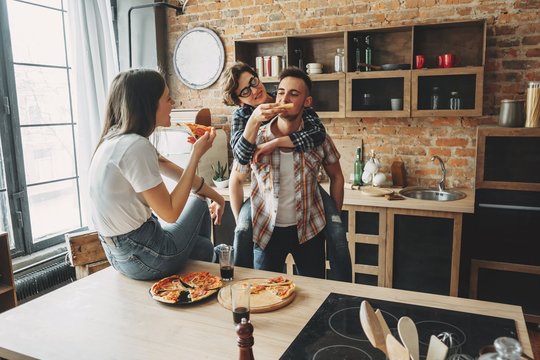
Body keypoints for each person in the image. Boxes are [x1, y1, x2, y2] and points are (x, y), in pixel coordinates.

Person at [89, 69, 225, 281]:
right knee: (198, 205)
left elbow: (179, 174)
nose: (173, 104)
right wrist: (195, 156)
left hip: (119, 257)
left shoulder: (114, 141)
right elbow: (170, 213)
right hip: (146, 256)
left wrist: (217, 197)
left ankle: (208, 261)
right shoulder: (135, 146)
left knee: (202, 247)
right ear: (148, 104)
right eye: (168, 98)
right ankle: (209, 273)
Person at [222, 62, 351, 281]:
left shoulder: (314, 132)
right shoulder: (249, 131)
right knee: (259, 286)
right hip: (266, 232)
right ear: (239, 100)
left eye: (253, 82)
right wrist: (254, 125)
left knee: (336, 233)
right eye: (245, 91)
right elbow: (238, 171)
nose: (283, 99)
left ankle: (346, 294)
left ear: (306, 102)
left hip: (309, 230)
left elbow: (335, 171)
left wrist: (329, 217)